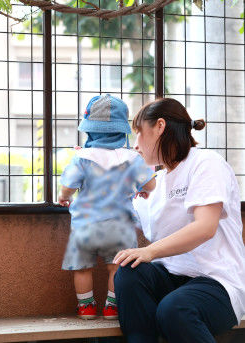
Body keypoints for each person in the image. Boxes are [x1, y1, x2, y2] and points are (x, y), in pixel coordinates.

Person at [113, 97, 245, 342]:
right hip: (172, 279)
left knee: (174, 309)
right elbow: (120, 219)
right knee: (129, 271)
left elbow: (205, 227)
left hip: (216, 282)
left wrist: (150, 251)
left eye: (139, 133)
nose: (135, 145)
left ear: (160, 127)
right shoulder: (156, 184)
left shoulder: (205, 163)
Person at [58, 94, 156, 320]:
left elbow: (67, 186)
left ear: (89, 130)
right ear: (122, 130)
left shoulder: (81, 157)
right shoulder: (132, 158)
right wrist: (140, 188)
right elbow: (150, 184)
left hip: (85, 225)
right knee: (117, 267)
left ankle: (86, 308)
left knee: (82, 267)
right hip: (120, 225)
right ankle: (112, 307)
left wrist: (64, 197)